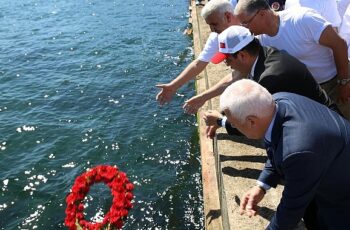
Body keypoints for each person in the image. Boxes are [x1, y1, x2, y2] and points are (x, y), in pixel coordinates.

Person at [219, 79, 350, 230]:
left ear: (251, 122)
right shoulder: (278, 101)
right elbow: (276, 145)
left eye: (234, 123)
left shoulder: (298, 150)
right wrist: (261, 186)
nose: (234, 126)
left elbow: (290, 211)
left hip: (342, 198)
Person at [202, 25, 339, 138]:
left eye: (228, 59)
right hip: (323, 117)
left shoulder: (270, 78)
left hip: (327, 131)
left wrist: (221, 121)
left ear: (242, 55)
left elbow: (258, 125)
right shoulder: (266, 53)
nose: (227, 64)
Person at [234, 0, 350, 111]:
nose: (244, 29)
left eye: (245, 23)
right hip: (307, 91)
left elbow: (339, 45)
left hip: (335, 82)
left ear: (262, 14)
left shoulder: (302, 19)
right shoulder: (261, 41)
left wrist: (344, 81)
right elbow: (242, 70)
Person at [155, 0, 239, 108]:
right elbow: (199, 63)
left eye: (214, 24)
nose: (212, 30)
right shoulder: (217, 35)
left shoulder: (253, 29)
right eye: (209, 25)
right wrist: (173, 86)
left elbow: (239, 75)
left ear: (228, 17)